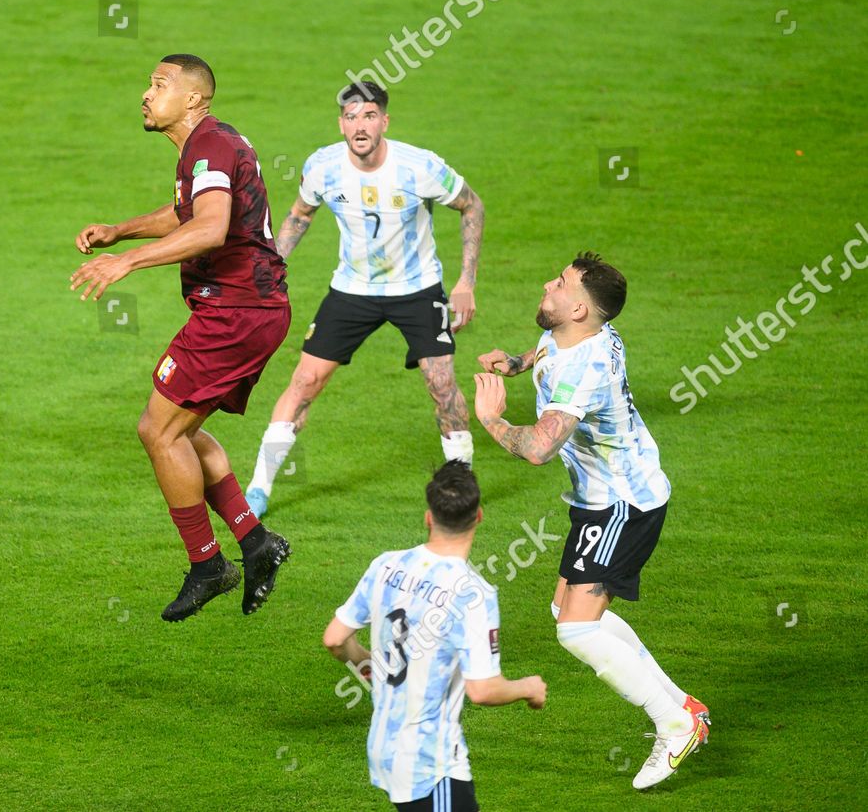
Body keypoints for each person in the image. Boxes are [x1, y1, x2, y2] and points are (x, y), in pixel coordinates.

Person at [472, 252, 708, 790]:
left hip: (623, 503)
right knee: (569, 611)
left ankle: (674, 726)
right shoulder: (582, 331)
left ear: (579, 307)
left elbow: (538, 448)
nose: (546, 285)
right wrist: (516, 362)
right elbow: (550, 346)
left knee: (576, 628)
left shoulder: (584, 372)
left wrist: (491, 420)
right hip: (602, 498)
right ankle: (683, 707)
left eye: (558, 283)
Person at [71, 54, 292, 621]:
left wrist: (128, 262)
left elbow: (211, 226)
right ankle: (255, 542)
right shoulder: (209, 145)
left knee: (158, 430)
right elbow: (187, 213)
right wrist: (120, 229)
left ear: (195, 99)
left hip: (237, 311)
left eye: (160, 84)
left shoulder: (209, 145)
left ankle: (208, 564)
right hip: (247, 309)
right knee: (184, 431)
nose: (146, 94)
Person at [246, 80, 485, 519]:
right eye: (352, 116)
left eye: (370, 115)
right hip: (352, 290)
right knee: (304, 382)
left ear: (384, 122)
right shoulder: (323, 167)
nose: (361, 124)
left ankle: (461, 487)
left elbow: (473, 206)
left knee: (442, 384)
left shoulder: (420, 167)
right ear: (341, 125)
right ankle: (258, 490)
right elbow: (300, 214)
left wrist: (465, 281)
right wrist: (271, 268)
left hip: (417, 289)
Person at [323, 461, 545, 811]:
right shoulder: (472, 593)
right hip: (430, 763)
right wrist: (528, 687)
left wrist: (368, 662)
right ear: (479, 517)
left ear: (429, 517)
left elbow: (335, 638)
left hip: (383, 747)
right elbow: (483, 689)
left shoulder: (386, 565)